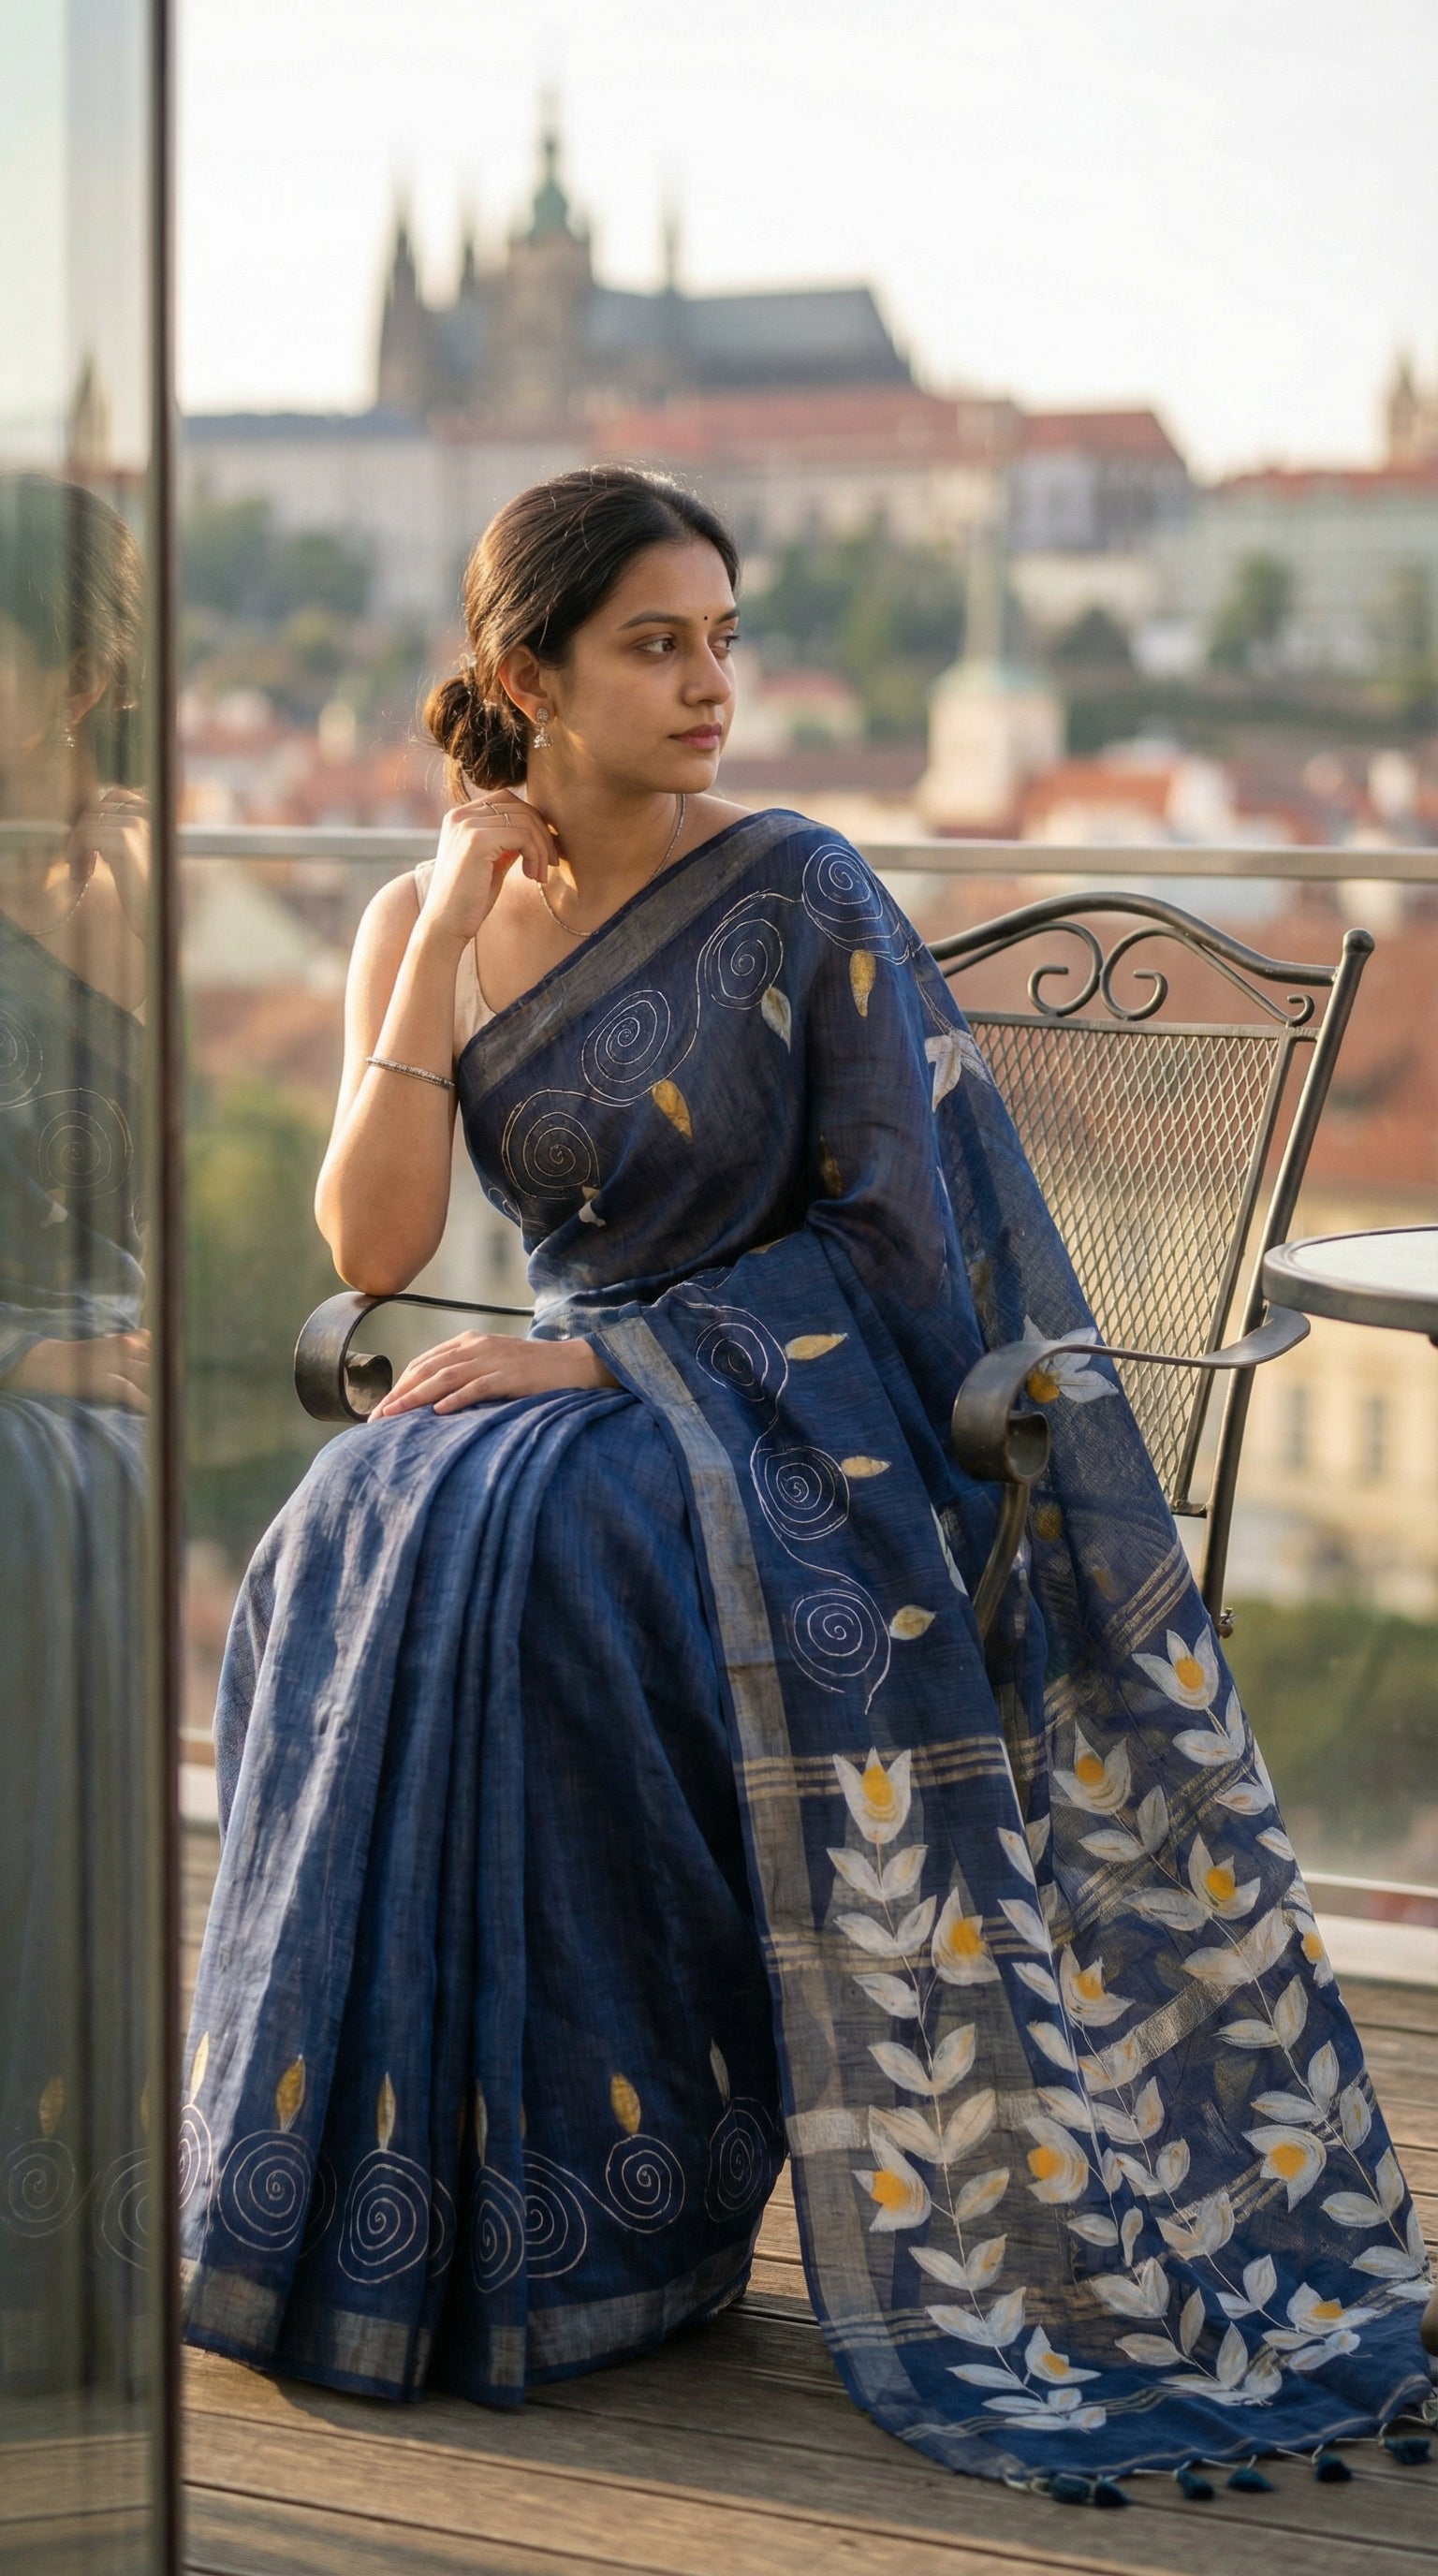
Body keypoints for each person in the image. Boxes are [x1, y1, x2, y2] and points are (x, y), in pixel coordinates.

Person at [182, 465, 1432, 2493]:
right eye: (654, 646)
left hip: (820, 1434)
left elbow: (897, 1249)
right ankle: (411, 2215)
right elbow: (372, 1246)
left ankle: (623, 2205)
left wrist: (605, 1352)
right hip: (585, 1394)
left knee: (543, 1540)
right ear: (529, 675)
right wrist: (429, 952)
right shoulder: (421, 922)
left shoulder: (798, 884)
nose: (708, 688)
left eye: (723, 642)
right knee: (354, 1519)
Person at [0, 474, 151, 2392]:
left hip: (84, 1387)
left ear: (86, 673)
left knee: (79, 1496)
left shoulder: (122, 884)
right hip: (24, 1384)